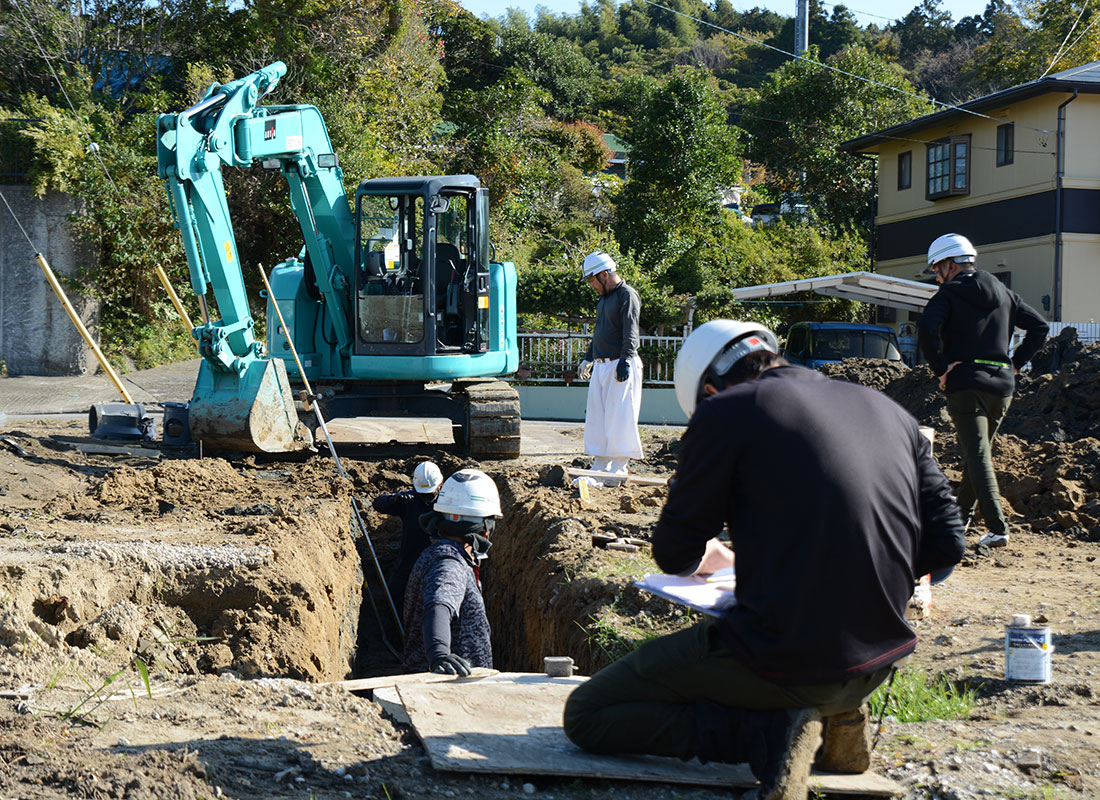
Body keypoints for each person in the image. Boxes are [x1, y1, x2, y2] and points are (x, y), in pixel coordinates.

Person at [563, 320, 966, 800]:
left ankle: (769, 734)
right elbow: (948, 547)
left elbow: (674, 553)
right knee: (814, 670)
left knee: (587, 715)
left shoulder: (727, 412)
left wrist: (713, 552)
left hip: (778, 660)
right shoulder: (889, 412)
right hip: (876, 664)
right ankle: (835, 719)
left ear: (710, 390)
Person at [917, 233, 1049, 549]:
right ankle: (959, 519)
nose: (937, 276)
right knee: (979, 454)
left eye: (937, 269)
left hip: (966, 384)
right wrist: (1015, 365)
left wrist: (941, 369)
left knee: (978, 454)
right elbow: (1040, 327)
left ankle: (997, 528)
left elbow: (926, 331)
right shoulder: (1004, 293)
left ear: (950, 265)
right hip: (1003, 385)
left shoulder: (947, 296)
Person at [402, 469, 501, 676]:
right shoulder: (449, 564)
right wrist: (439, 654)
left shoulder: (437, 553)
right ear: (483, 530)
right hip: (448, 687)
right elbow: (438, 605)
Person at [576, 251, 643, 477]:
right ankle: (601, 462)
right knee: (598, 416)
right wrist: (588, 356)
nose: (591, 285)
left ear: (604, 274)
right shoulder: (603, 299)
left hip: (619, 363)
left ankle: (619, 465)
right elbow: (599, 332)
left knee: (620, 415)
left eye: (592, 280)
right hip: (602, 363)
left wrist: (625, 359)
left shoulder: (627, 295)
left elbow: (630, 330)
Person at [372, 461, 444, 614]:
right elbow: (378, 504)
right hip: (408, 563)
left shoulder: (447, 502)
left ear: (440, 485)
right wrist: (394, 499)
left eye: (430, 493)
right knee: (393, 599)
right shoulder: (410, 501)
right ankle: (396, 634)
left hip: (437, 565)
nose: (427, 496)